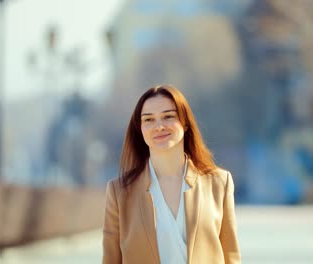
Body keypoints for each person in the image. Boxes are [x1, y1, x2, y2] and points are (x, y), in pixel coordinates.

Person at [102, 85, 241, 264]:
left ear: (185, 122)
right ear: (140, 129)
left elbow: (231, 256)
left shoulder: (219, 183)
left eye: (168, 116)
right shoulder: (119, 192)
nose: (159, 126)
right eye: (148, 120)